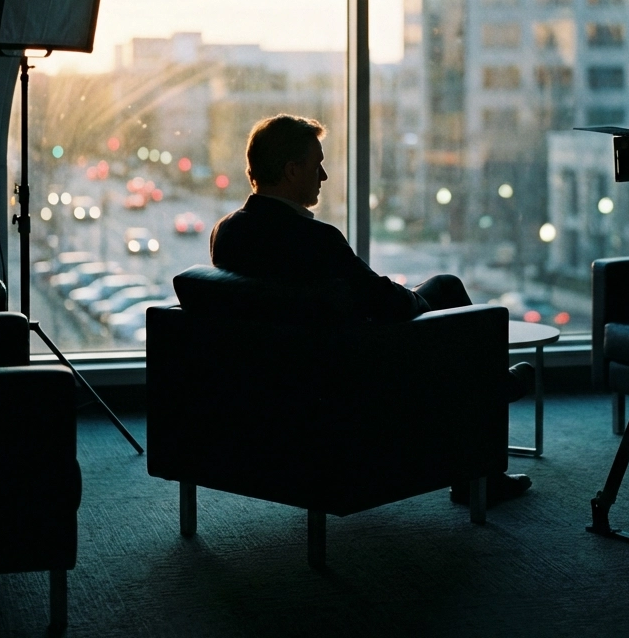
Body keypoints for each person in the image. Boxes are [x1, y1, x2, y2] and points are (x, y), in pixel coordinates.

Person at [210, 113, 534, 506]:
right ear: (292, 170)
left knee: (436, 297)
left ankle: (491, 388)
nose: (325, 177)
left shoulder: (226, 232)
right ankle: (490, 415)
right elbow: (383, 301)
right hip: (355, 374)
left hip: (277, 378)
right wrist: (415, 300)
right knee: (446, 290)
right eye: (318, 165)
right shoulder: (316, 239)